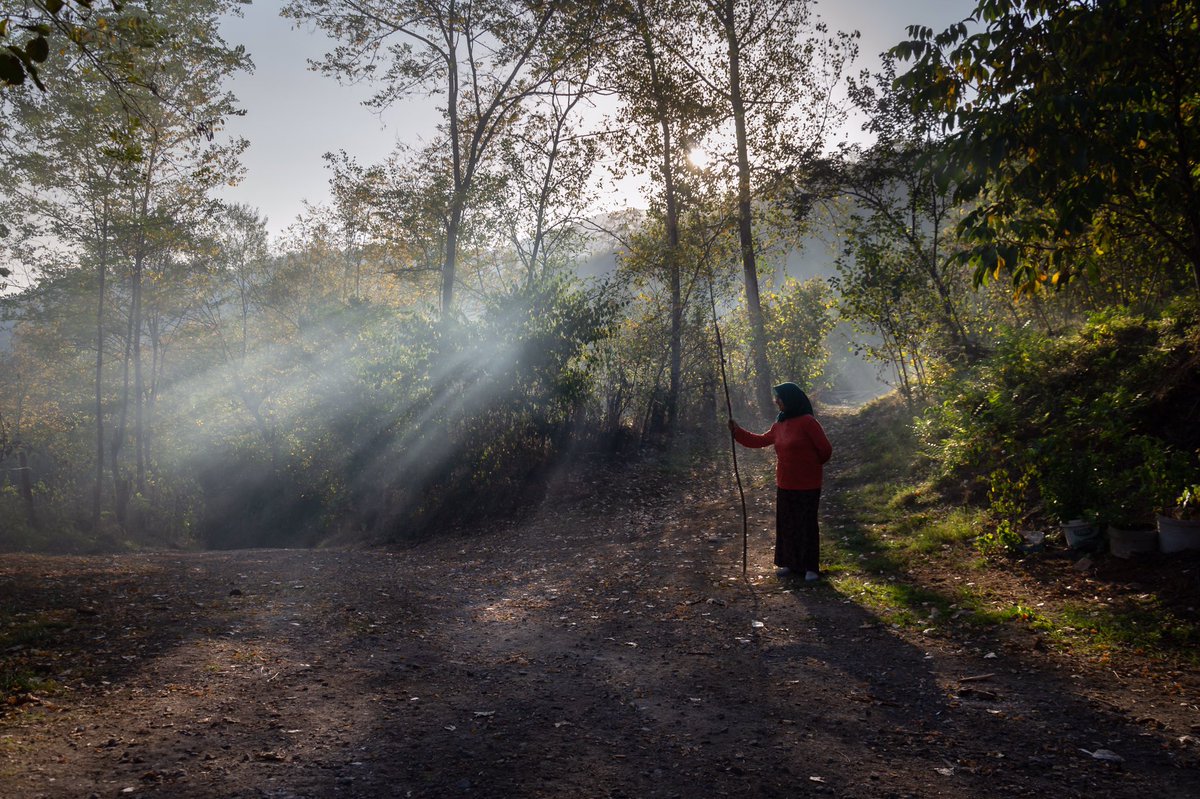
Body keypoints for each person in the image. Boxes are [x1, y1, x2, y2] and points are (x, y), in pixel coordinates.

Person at [729, 383, 832, 581]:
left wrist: (810, 466)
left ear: (790, 399)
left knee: (806, 525)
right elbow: (758, 441)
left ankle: (810, 567)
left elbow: (825, 450)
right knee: (787, 524)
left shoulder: (808, 422)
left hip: (808, 484)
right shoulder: (779, 424)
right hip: (785, 483)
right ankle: (789, 563)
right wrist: (737, 432)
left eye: (779, 398)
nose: (776, 401)